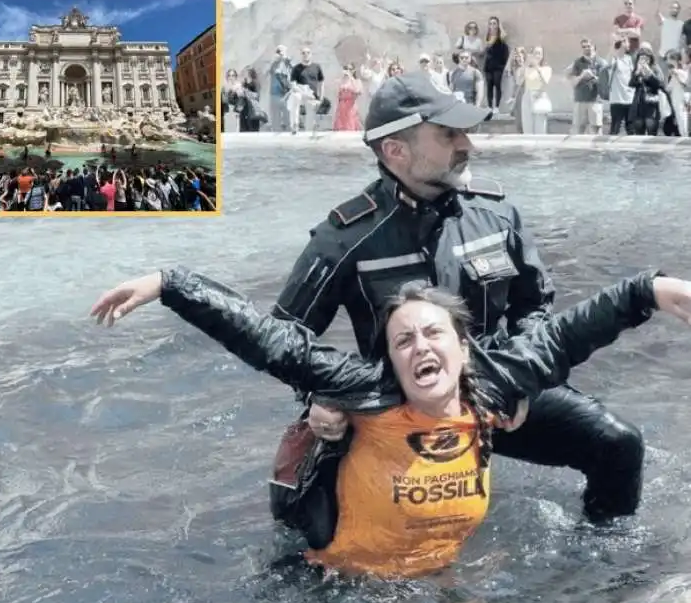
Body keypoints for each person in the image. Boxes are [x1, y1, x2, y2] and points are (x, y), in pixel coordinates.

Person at [91, 267, 691, 577]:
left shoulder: (496, 384)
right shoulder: (368, 392)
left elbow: (573, 329)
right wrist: (168, 285)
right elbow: (269, 340)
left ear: (462, 345)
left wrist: (650, 290)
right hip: (337, 589)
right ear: (390, 359)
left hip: (439, 579)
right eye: (402, 341)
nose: (418, 347)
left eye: (433, 333)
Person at [266, 69, 647, 543]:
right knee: (312, 526)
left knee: (618, 443)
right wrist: (320, 399)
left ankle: (601, 563)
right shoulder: (344, 238)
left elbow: (534, 306)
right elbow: (282, 338)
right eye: (449, 134)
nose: (469, 144)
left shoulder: (496, 214)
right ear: (395, 151)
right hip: (393, 408)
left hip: (495, 392)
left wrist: (522, 381)